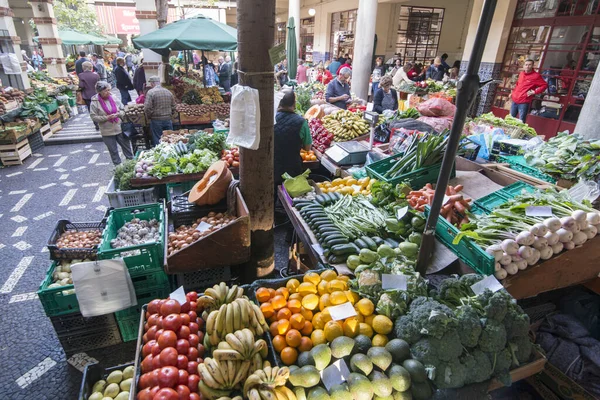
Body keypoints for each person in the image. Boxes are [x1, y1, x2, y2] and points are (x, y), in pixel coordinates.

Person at [274, 91, 313, 188]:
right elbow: (307, 148)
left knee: (273, 193)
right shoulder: (301, 122)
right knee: (290, 194)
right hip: (292, 166)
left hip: (272, 165)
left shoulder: (271, 118)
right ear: (294, 104)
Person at [90, 81, 134, 165]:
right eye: (106, 91)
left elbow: (123, 109)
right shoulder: (95, 101)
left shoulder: (113, 97)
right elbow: (93, 117)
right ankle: (118, 168)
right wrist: (106, 118)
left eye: (109, 90)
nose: (109, 92)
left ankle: (131, 164)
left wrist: (119, 114)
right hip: (107, 131)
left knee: (127, 149)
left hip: (119, 128)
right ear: (100, 92)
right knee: (113, 152)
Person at [510, 59, 548, 123]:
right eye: (526, 65)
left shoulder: (536, 76)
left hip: (524, 101)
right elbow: (517, 85)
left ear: (532, 66)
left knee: (521, 121)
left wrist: (534, 92)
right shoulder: (521, 73)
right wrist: (513, 93)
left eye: (529, 65)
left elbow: (544, 85)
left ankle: (518, 133)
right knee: (510, 119)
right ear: (523, 66)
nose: (527, 66)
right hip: (515, 100)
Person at [144, 76, 176, 145]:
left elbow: (147, 107)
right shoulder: (168, 92)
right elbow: (174, 106)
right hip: (168, 119)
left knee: (158, 139)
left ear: (152, 83)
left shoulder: (151, 92)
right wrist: (170, 114)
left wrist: (150, 116)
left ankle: (160, 152)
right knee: (170, 138)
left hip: (156, 120)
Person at [78, 61, 100, 129]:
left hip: (87, 95)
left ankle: (96, 124)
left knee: (91, 110)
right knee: (98, 108)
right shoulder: (96, 75)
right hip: (96, 94)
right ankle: (101, 121)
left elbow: (81, 85)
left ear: (83, 67)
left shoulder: (81, 75)